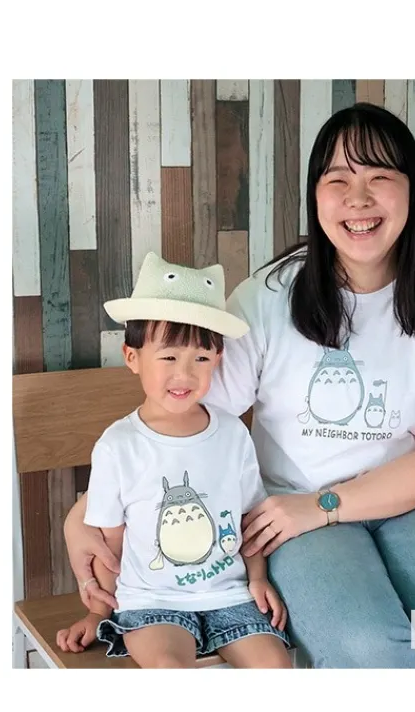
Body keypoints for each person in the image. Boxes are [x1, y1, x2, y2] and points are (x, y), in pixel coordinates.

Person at [65, 102, 415, 669]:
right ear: (315, 195)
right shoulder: (268, 298)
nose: (359, 199)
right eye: (338, 180)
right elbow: (178, 425)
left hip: (414, 501)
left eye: (380, 177)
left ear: (413, 190)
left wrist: (326, 505)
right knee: (367, 649)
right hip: (287, 510)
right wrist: (83, 512)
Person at [56, 252, 291, 668]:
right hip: (151, 603)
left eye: (201, 358)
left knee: (275, 667)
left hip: (230, 596)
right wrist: (99, 612)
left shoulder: (233, 433)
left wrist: (257, 578)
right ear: (132, 357)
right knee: (170, 669)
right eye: (168, 357)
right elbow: (111, 544)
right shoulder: (118, 445)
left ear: (218, 360)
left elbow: (249, 517)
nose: (184, 374)